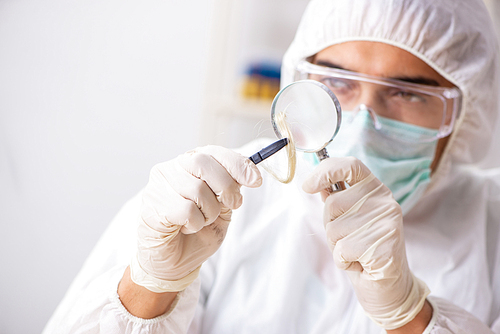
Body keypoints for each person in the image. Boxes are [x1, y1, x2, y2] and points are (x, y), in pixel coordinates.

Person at [43, 0, 500, 332]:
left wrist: (409, 313)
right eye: (337, 82)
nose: (361, 123)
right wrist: (152, 286)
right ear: (301, 81)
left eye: (408, 93)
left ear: (465, 110)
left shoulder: (491, 228)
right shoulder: (212, 195)